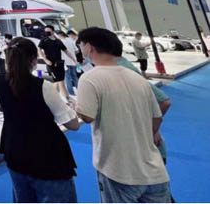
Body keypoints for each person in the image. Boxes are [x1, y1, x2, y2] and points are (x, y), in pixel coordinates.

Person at [75, 27, 170, 203]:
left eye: (80, 44)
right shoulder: (138, 78)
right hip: (154, 170)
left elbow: (87, 116)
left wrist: (75, 106)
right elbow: (157, 116)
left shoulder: (89, 78)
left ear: (88, 47)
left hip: (118, 170)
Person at [0, 37, 79, 202]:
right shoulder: (43, 86)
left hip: (14, 151)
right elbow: (73, 125)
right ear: (33, 60)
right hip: (47, 156)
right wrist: (73, 110)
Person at [38, 26, 76, 103]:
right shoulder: (44, 40)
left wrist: (74, 60)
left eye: (48, 31)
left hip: (59, 63)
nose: (47, 32)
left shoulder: (58, 41)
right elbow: (38, 49)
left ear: (53, 31)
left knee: (57, 83)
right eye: (45, 31)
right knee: (60, 82)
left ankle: (52, 99)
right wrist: (45, 60)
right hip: (51, 65)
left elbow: (66, 51)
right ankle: (68, 99)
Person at [60, 31, 79, 96]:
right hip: (73, 62)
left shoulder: (59, 41)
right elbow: (77, 50)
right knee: (75, 76)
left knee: (68, 78)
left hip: (65, 63)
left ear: (60, 35)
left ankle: (71, 93)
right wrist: (73, 54)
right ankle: (79, 90)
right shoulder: (70, 40)